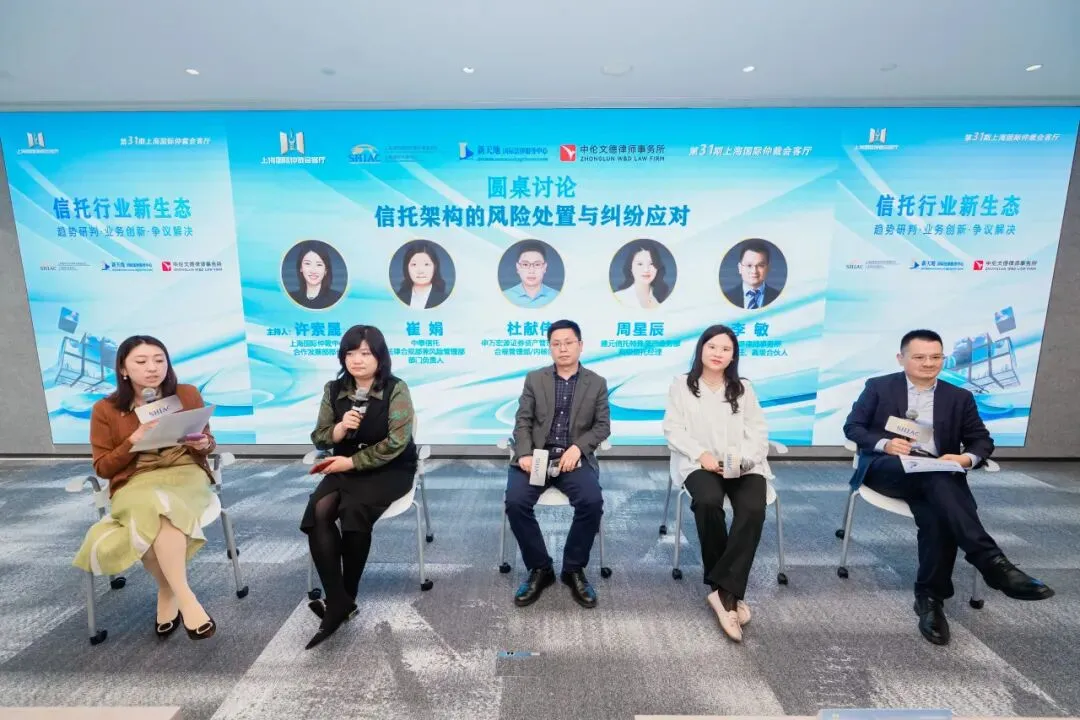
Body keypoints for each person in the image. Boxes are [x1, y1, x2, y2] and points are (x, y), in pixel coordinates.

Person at [844, 329, 1055, 646]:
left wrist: (966, 458)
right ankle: (992, 563)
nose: (928, 363)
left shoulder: (959, 397)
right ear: (901, 358)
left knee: (937, 510)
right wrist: (885, 444)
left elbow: (981, 440)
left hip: (937, 472)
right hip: (889, 468)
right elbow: (853, 427)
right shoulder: (879, 387)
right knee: (940, 483)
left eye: (935, 357)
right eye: (919, 357)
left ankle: (929, 599)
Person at [73, 335, 219, 641]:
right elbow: (103, 467)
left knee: (161, 510)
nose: (152, 368)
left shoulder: (187, 394)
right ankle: (184, 597)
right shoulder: (105, 409)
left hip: (185, 473)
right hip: (136, 480)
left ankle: (168, 592)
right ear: (123, 369)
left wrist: (204, 443)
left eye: (159, 360)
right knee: (157, 510)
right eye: (141, 362)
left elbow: (207, 442)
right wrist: (133, 440)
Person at [301, 324, 418, 649]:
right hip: (344, 463)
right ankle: (339, 599)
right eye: (350, 353)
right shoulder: (334, 389)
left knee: (354, 509)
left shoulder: (396, 389)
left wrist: (351, 463)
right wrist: (339, 430)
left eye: (365, 353)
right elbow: (320, 436)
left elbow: (397, 442)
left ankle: (345, 596)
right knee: (319, 510)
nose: (357, 360)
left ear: (380, 356)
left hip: (389, 468)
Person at [662, 325, 770, 642]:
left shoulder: (744, 388)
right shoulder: (682, 385)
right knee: (708, 502)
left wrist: (745, 459)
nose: (718, 354)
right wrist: (702, 455)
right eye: (712, 347)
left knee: (752, 508)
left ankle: (723, 594)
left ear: (733, 356)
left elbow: (758, 432)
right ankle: (729, 595)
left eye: (725, 349)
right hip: (699, 463)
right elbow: (673, 429)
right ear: (701, 349)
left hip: (743, 465)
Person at [505, 319, 610, 608]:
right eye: (556, 344)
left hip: (572, 460)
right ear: (550, 348)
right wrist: (524, 453)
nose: (563, 348)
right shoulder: (535, 379)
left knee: (591, 502)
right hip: (536, 458)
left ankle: (573, 568)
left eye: (568, 342)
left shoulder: (596, 383)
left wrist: (579, 447)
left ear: (580, 345)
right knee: (515, 502)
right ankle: (540, 568)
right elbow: (523, 420)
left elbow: (602, 426)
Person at [722, 239, 780, 310]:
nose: (754, 271)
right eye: (749, 265)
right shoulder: (726, 297)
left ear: (768, 268)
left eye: (760, 265)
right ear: (740, 268)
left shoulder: (779, 297)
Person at [613, 241, 671, 309]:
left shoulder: (665, 297)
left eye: (651, 264)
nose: (646, 270)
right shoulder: (619, 297)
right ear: (630, 267)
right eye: (640, 264)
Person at [288, 240, 343, 310]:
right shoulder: (291, 298)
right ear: (300, 268)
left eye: (319, 265)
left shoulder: (337, 298)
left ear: (326, 270)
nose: (313, 270)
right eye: (307, 263)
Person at [394, 242, 450, 309]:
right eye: (414, 264)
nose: (420, 271)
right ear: (406, 268)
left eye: (426, 264)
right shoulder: (397, 299)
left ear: (435, 267)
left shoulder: (446, 300)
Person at [503, 241, 559, 308]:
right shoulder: (505, 296)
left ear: (544, 267)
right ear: (518, 267)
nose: (531, 271)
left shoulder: (557, 296)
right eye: (525, 264)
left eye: (537, 264)